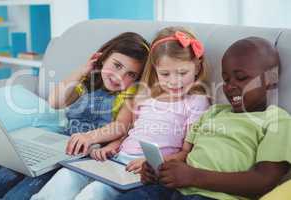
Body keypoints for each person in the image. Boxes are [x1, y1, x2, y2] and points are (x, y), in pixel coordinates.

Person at [31, 26, 211, 200]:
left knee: (94, 193)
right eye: (165, 74)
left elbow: (187, 152)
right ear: (155, 71)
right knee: (66, 177)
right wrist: (112, 147)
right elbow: (127, 130)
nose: (174, 81)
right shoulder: (144, 95)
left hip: (144, 169)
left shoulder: (196, 102)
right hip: (116, 158)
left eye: (182, 72)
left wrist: (154, 164)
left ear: (197, 67)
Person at [116, 37, 291, 200]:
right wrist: (157, 169)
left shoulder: (276, 120)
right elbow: (186, 155)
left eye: (241, 78)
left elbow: (263, 182)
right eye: (226, 79)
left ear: (271, 78)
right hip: (174, 188)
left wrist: (193, 176)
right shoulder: (214, 112)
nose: (230, 87)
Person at [0, 32, 149, 200]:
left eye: (131, 74)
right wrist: (83, 71)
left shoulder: (129, 92)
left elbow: (120, 126)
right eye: (117, 65)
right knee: (5, 176)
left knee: (21, 192)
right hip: (61, 142)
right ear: (103, 58)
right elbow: (55, 102)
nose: (120, 77)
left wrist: (89, 137)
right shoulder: (87, 81)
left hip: (85, 152)